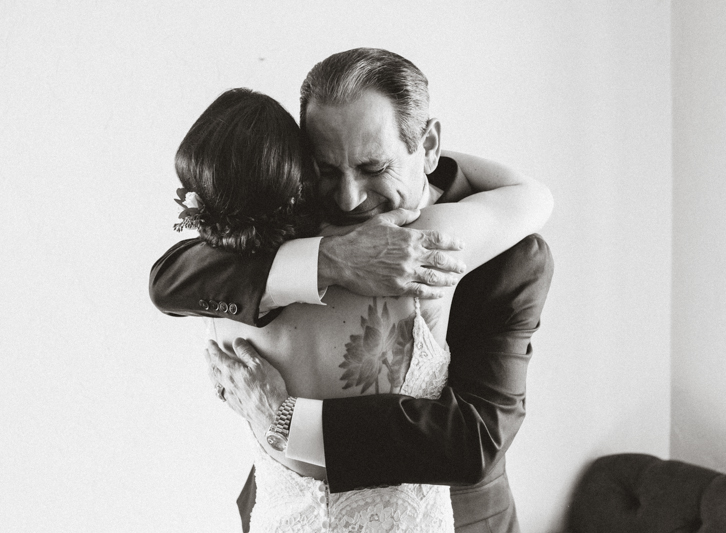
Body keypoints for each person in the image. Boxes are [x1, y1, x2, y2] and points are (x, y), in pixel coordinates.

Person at [150, 48, 554, 533]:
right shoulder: (286, 224)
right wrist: (330, 260)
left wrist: (284, 420)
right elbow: (169, 279)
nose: (348, 198)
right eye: (326, 169)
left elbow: (472, 440)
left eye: (373, 167)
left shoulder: (511, 256)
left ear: (427, 144)